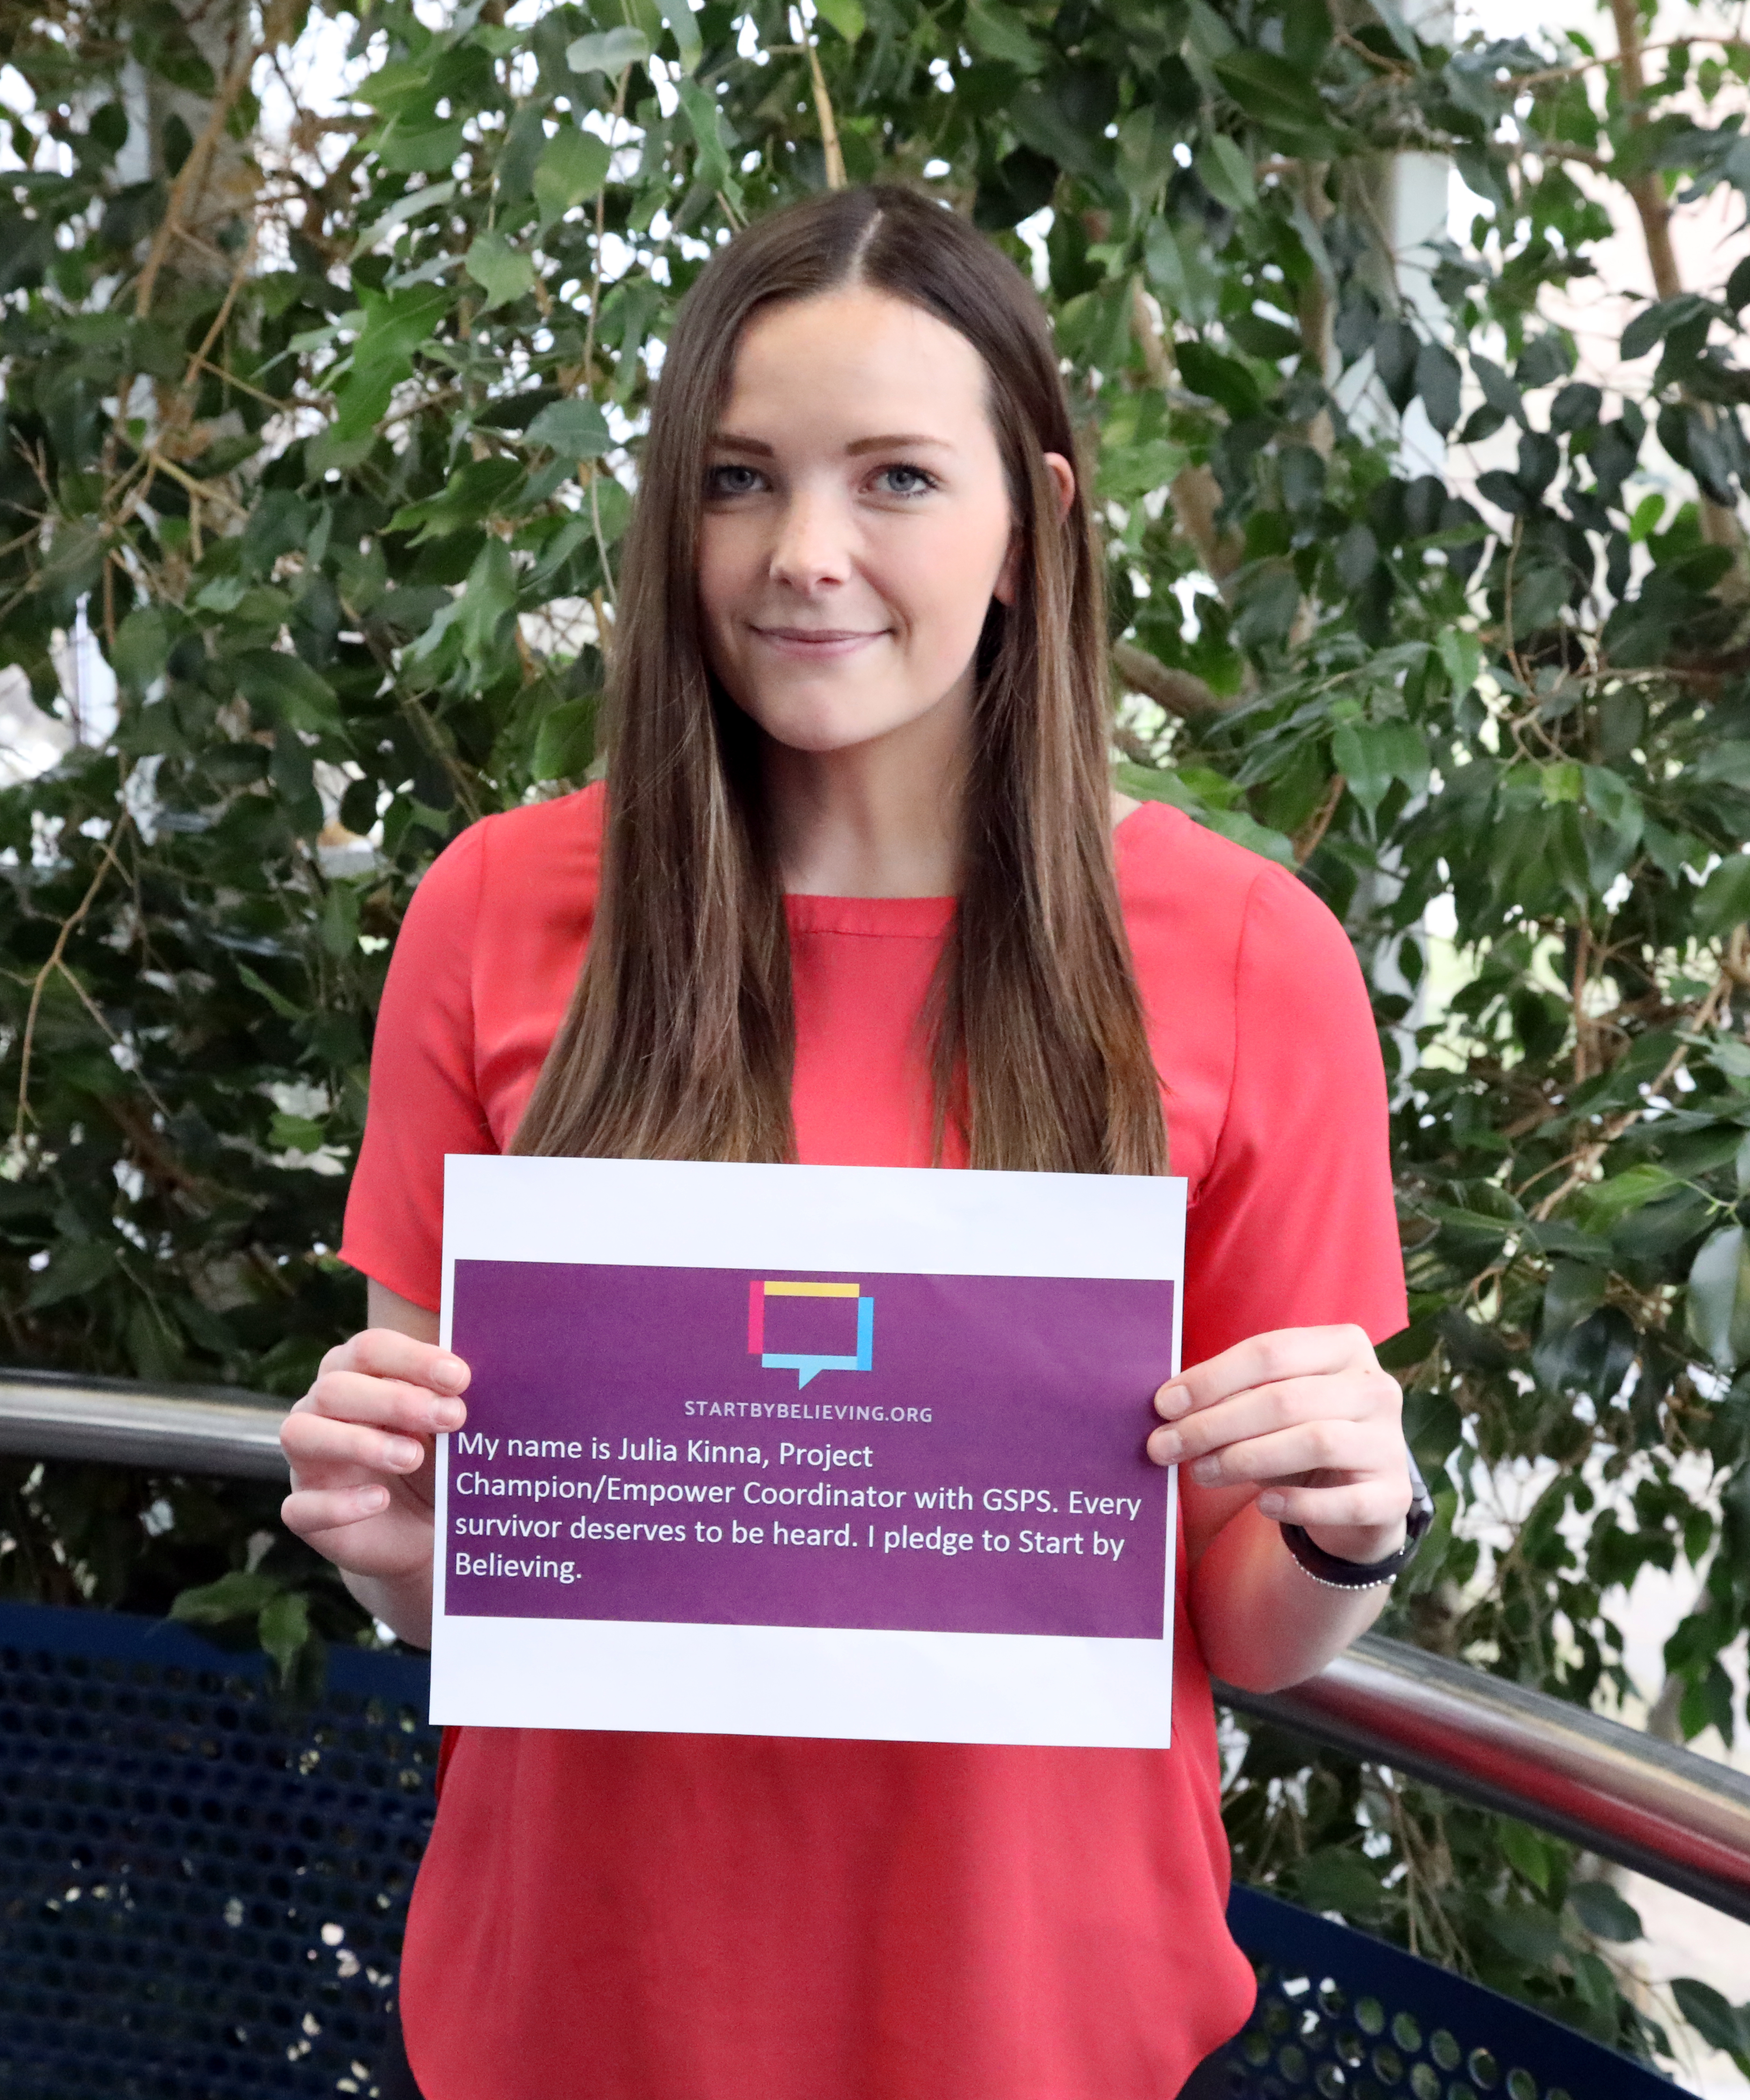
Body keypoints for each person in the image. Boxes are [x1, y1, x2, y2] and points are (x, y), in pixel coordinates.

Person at [280, 183, 1414, 2100]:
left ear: (1036, 524)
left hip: (1031, 2027)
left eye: (895, 478)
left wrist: (1348, 1514)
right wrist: (394, 1543)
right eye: (738, 481)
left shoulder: (1247, 959)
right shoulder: (493, 915)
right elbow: (460, 1570)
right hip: (575, 2013)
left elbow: (1252, 1622)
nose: (804, 554)